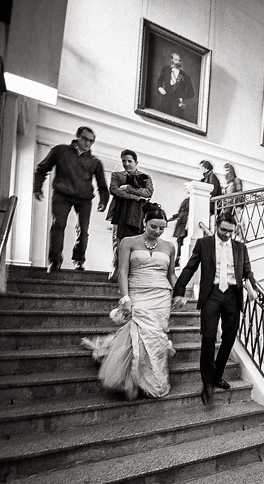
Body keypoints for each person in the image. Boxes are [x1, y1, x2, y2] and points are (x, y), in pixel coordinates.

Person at [81, 207, 177, 400]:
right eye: (153, 227)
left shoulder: (169, 246)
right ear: (144, 223)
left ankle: (150, 380)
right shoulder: (128, 242)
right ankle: (134, 379)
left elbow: (171, 274)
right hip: (138, 293)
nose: (157, 232)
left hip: (161, 297)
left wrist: (179, 293)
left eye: (162, 228)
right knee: (139, 337)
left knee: (155, 340)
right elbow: (123, 272)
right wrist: (125, 298)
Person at [172, 209, 258, 405]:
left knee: (229, 338)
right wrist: (179, 290)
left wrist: (253, 288)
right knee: (209, 338)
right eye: (223, 230)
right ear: (216, 226)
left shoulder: (240, 248)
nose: (226, 234)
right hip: (212, 294)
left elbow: (247, 271)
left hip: (233, 296)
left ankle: (217, 375)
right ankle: (207, 383)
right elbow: (190, 267)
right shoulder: (204, 244)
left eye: (230, 231)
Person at [33, 125, 109, 272]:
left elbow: (102, 186)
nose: (88, 143)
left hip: (84, 199)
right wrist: (37, 187)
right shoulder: (60, 151)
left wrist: (103, 201)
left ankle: (79, 260)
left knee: (83, 229)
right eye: (85, 139)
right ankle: (55, 261)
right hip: (62, 194)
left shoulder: (95, 162)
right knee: (58, 225)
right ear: (77, 136)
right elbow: (42, 169)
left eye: (91, 141)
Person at [107, 149, 154, 281]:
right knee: (119, 241)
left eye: (129, 161)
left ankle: (133, 273)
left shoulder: (145, 176)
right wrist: (134, 196)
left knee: (136, 242)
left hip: (137, 213)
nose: (127, 164)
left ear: (136, 162)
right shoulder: (117, 175)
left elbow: (148, 192)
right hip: (120, 211)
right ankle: (116, 268)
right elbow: (114, 190)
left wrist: (128, 188)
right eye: (124, 161)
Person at [171, 160, 221, 267]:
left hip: (204, 209)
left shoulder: (212, 177)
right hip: (188, 218)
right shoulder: (204, 179)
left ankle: (180, 258)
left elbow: (212, 191)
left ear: (206, 167)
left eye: (201, 167)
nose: (199, 169)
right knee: (181, 239)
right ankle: (179, 258)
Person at [156, 51, 194, 119]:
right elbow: (159, 80)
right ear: (171, 60)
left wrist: (180, 95)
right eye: (175, 59)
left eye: (179, 60)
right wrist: (159, 88)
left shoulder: (185, 76)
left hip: (176, 105)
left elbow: (191, 93)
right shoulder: (165, 69)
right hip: (164, 101)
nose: (177, 62)